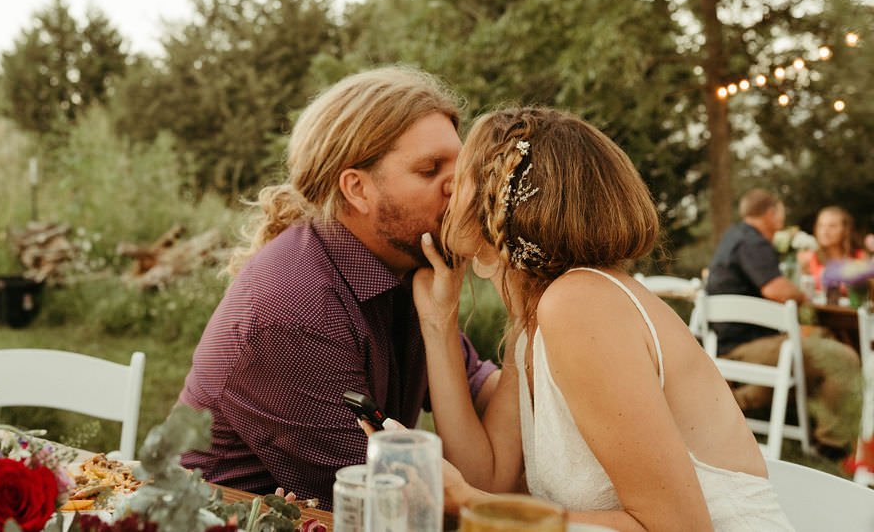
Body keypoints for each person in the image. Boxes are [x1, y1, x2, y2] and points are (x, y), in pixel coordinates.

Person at [406, 106, 792, 530]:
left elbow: (679, 526)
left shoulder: (579, 305)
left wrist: (468, 501)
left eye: (460, 176)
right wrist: (439, 324)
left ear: (497, 200)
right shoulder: (534, 324)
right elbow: (487, 478)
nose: (447, 189)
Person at [176, 67, 499, 508]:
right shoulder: (295, 307)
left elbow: (480, 388)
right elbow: (397, 502)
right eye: (430, 170)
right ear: (357, 189)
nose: (458, 188)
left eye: (459, 170)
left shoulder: (400, 265)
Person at [707, 189, 862, 456]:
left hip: (727, 342)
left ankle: (734, 404)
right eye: (780, 214)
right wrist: (802, 296)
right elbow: (776, 290)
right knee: (844, 357)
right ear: (770, 214)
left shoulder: (734, 236)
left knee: (820, 343)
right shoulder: (753, 242)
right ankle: (831, 445)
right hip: (748, 345)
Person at [799, 205, 868, 299]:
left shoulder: (860, 257)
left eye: (832, 226)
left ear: (845, 230)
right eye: (821, 225)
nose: (825, 231)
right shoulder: (810, 258)